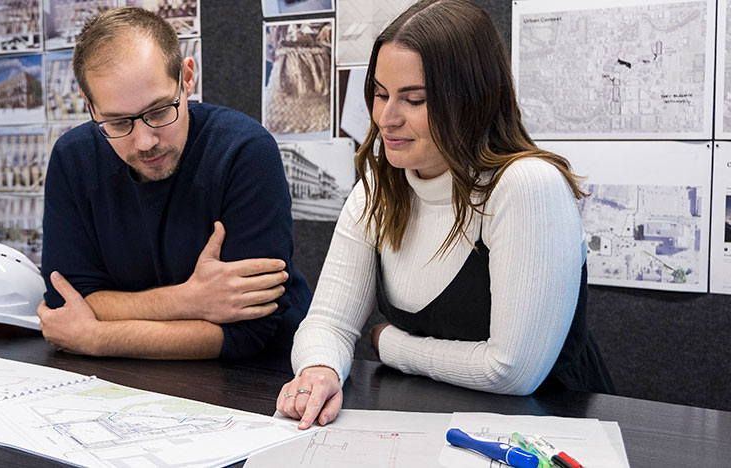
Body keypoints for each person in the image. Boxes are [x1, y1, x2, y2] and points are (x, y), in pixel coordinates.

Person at [277, 0, 615, 430]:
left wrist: (391, 344)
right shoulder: (377, 192)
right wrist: (319, 369)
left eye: (413, 99)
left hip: (545, 432)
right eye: (380, 94)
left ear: (471, 100)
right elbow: (327, 322)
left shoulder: (526, 186)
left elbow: (511, 371)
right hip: (431, 424)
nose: (386, 118)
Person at [37, 7, 311, 360]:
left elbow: (248, 331)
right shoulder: (72, 159)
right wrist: (189, 299)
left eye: (159, 111)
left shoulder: (244, 151)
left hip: (262, 378)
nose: (145, 141)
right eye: (118, 123)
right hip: (126, 382)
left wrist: (98, 337)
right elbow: (67, 300)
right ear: (89, 106)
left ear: (187, 78)